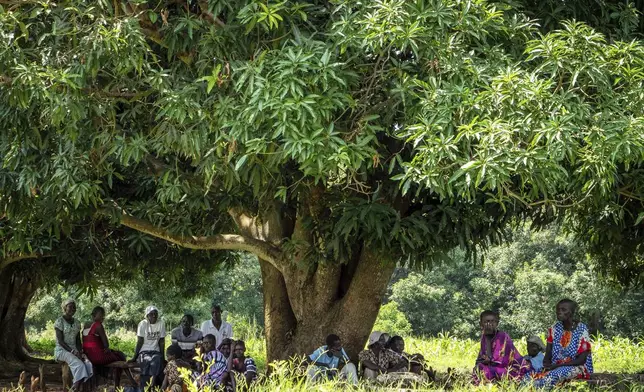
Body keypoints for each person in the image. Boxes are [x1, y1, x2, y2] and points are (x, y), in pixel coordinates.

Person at [523, 299, 593, 388]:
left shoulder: (581, 329)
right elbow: (548, 354)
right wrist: (546, 365)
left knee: (551, 376)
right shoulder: (554, 329)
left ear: (571, 312)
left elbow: (581, 360)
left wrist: (558, 366)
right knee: (528, 377)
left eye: (564, 310)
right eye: (558, 309)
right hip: (555, 367)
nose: (559, 312)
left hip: (578, 368)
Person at [472, 310, 530, 384]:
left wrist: (487, 360)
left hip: (513, 370)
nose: (489, 324)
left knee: (489, 371)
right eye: (486, 321)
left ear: (496, 323)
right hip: (498, 368)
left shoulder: (502, 336)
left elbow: (500, 362)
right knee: (478, 368)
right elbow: (480, 358)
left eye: (492, 321)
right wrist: (487, 337)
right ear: (481, 324)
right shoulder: (484, 336)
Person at [54, 299, 93, 391]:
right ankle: (74, 389)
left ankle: (78, 387)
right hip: (62, 350)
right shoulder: (59, 321)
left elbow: (78, 340)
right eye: (70, 307)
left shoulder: (77, 323)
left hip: (74, 350)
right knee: (80, 365)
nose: (73, 309)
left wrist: (80, 352)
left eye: (74, 307)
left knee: (87, 364)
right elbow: (60, 341)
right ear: (65, 308)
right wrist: (72, 351)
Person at [130, 305, 166, 390]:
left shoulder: (161, 323)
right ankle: (145, 387)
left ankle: (153, 384)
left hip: (155, 351)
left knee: (157, 360)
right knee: (146, 361)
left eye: (155, 313)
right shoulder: (143, 324)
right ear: (147, 315)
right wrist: (134, 357)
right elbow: (139, 341)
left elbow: (162, 342)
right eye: (151, 314)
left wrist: (163, 357)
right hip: (144, 351)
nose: (154, 315)